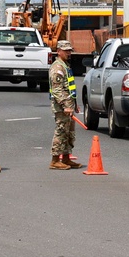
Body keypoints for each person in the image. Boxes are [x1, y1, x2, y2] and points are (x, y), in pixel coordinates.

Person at [48, 39, 81, 170]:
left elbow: (69, 87)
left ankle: (66, 158)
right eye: (66, 51)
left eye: (69, 51)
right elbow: (57, 90)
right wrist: (65, 105)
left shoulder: (65, 65)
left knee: (69, 133)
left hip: (68, 105)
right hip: (62, 107)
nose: (69, 53)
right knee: (61, 131)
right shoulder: (57, 67)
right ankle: (55, 160)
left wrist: (74, 104)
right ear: (59, 51)